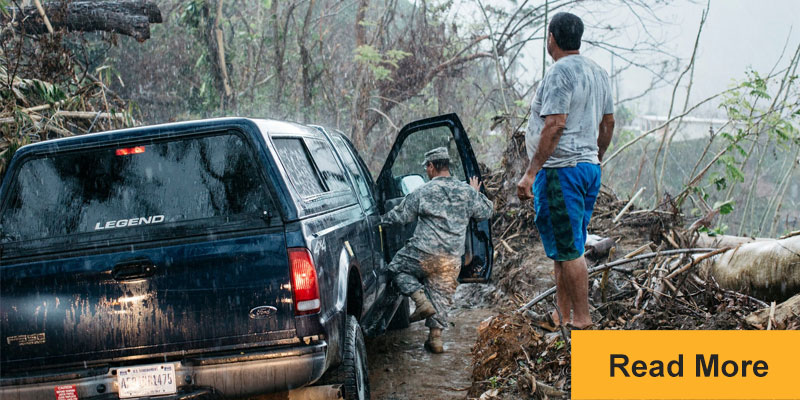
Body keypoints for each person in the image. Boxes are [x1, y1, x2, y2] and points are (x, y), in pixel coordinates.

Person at [516, 12, 615, 330]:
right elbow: (608, 123)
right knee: (564, 245)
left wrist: (532, 172)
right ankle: (562, 315)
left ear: (552, 38)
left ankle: (582, 321)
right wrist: (596, 156)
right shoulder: (597, 72)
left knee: (570, 249)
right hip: (586, 169)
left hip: (562, 171)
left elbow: (555, 124)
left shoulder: (560, 72)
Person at [382, 147, 493, 353]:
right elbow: (486, 211)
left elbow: (400, 217)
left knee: (396, 268)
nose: (426, 171)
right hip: (450, 259)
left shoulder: (423, 191)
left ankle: (419, 300)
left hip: (422, 253)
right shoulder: (466, 192)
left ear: (432, 166)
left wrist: (378, 222)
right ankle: (436, 340)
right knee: (440, 296)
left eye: (427, 167)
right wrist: (474, 194)